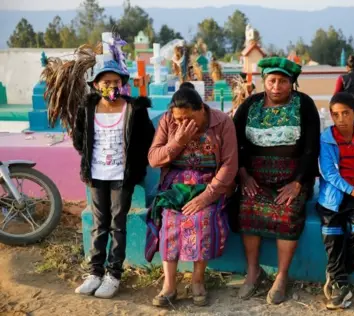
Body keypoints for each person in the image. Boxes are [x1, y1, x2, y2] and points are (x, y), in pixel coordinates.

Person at [41, 35, 156, 298]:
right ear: (96, 85)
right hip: (96, 175)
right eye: (106, 82)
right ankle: (95, 272)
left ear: (123, 84)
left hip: (122, 177)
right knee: (99, 223)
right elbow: (81, 140)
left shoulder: (134, 110)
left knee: (118, 224)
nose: (112, 86)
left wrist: (133, 166)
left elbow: (146, 141)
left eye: (116, 82)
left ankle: (113, 275)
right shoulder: (87, 109)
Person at [233, 57, 320, 304]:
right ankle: (253, 272)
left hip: (292, 179)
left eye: (283, 81)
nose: (276, 86)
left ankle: (281, 276)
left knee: (288, 211)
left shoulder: (304, 105)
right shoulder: (250, 105)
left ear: (292, 83)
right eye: (272, 80)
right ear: (264, 82)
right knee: (247, 207)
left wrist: (299, 182)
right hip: (255, 179)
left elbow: (311, 148)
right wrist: (243, 174)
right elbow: (233, 141)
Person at [146, 87, 238, 307]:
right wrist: (177, 140)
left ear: (202, 109)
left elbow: (229, 163)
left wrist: (207, 196)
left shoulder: (222, 122)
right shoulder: (168, 122)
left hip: (210, 183)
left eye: (188, 118)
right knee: (169, 218)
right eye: (178, 119)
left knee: (202, 218)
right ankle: (169, 285)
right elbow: (153, 159)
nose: (182, 122)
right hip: (175, 185)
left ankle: (198, 280)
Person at [317, 92, 354, 310]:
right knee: (333, 235)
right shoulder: (326, 138)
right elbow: (329, 173)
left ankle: (337, 276)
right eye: (336, 114)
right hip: (332, 196)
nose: (341, 119)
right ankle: (341, 283)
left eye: (346, 113)